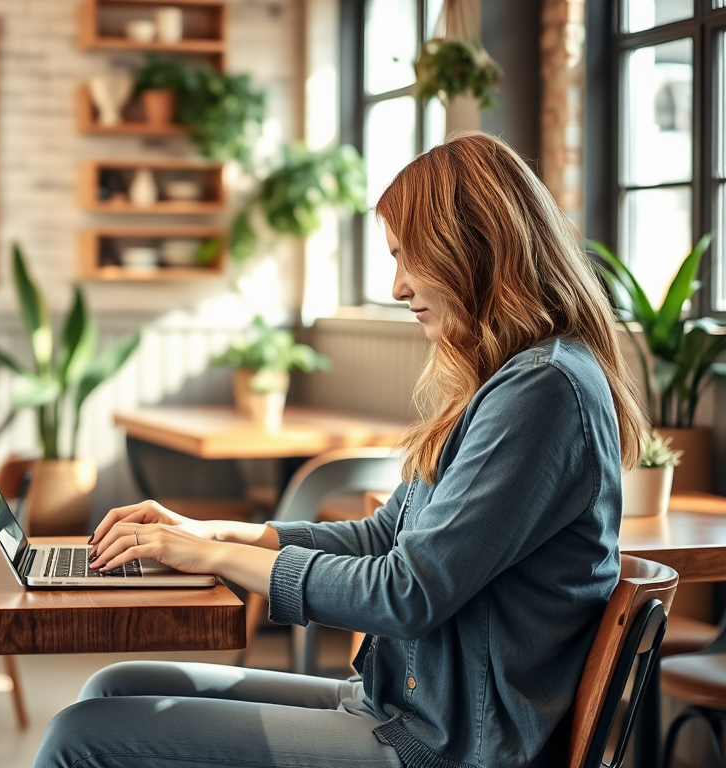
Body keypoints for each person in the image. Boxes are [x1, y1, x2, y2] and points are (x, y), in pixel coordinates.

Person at [32, 132, 647, 768]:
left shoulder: (542, 391)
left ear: (472, 249)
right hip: (400, 708)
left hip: (445, 746)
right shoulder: (506, 380)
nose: (399, 285)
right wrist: (216, 533)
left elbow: (405, 594)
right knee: (114, 687)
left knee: (78, 738)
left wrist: (211, 556)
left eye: (412, 258)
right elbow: (385, 537)